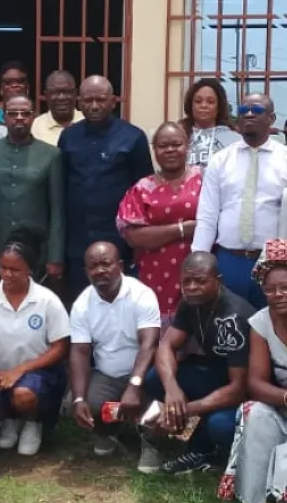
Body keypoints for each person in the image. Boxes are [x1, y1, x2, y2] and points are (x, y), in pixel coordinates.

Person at [145, 252, 253, 475]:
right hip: (215, 374)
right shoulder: (190, 303)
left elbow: (238, 388)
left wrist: (181, 410)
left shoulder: (234, 316)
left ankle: (214, 453)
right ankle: (197, 446)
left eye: (200, 281)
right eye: (187, 281)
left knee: (220, 425)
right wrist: (172, 390)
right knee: (156, 379)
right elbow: (166, 346)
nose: (192, 286)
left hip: (246, 389)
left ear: (218, 281)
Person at [0, 230, 70, 457]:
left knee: (24, 394)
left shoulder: (47, 300)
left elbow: (61, 347)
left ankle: (32, 423)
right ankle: (10, 421)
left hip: (39, 373)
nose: (7, 274)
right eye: (3, 267)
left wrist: (20, 370)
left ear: (29, 270)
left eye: (14, 269)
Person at [69, 242, 162, 473]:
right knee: (86, 404)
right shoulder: (82, 304)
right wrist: (79, 398)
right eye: (93, 266)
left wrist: (135, 384)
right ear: (86, 271)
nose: (100, 270)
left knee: (157, 406)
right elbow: (80, 351)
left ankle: (152, 444)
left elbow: (149, 344)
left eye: (106, 263)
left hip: (146, 372)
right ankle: (108, 433)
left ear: (120, 266)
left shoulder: (141, 294)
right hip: (107, 374)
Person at [59, 75, 154, 297]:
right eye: (88, 100)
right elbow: (61, 188)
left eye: (100, 100)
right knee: (81, 302)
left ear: (113, 101)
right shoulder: (68, 137)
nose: (94, 106)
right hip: (78, 241)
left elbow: (145, 192)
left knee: (121, 301)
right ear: (79, 102)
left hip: (119, 241)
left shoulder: (132, 137)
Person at [192, 93, 287, 309]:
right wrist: (199, 261)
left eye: (257, 110)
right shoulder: (220, 160)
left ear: (271, 119)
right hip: (229, 261)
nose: (249, 114)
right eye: (244, 110)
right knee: (229, 331)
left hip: (272, 264)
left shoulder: (284, 159)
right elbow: (208, 215)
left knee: (271, 330)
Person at [219, 239, 287, 503]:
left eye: (285, 288)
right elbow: (255, 384)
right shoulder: (260, 323)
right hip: (282, 407)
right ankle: (257, 498)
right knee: (254, 412)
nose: (278, 294)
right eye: (270, 290)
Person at [117, 122, 202, 331]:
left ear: (187, 146)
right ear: (154, 150)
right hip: (155, 273)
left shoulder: (205, 179)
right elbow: (133, 236)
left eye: (176, 144)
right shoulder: (142, 188)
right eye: (163, 146)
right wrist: (183, 229)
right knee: (156, 334)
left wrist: (158, 233)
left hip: (198, 271)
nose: (170, 150)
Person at [0, 95, 64, 282]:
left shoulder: (51, 154)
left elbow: (57, 209)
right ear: (3, 117)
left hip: (37, 249)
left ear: (33, 116)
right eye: (13, 113)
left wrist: (55, 256)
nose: (19, 118)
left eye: (25, 113)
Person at [178, 78, 241, 169]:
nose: (203, 105)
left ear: (219, 106)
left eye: (210, 102)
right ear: (190, 105)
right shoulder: (178, 136)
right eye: (198, 101)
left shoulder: (235, 140)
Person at [31, 70, 84, 146]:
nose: (61, 97)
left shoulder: (87, 121)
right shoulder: (35, 127)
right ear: (46, 96)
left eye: (67, 92)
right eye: (55, 92)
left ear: (75, 94)